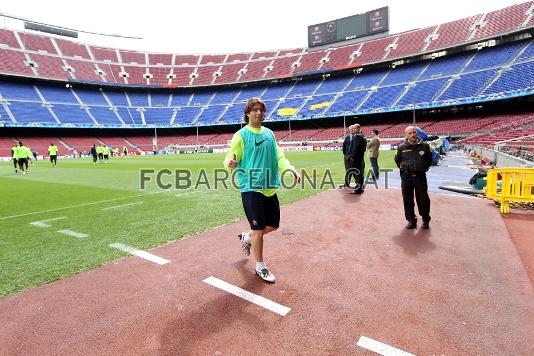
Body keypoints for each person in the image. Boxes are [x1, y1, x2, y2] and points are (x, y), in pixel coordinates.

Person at [224, 97, 300, 283]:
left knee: (273, 225)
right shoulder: (241, 135)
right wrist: (230, 163)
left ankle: (247, 237)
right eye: (254, 110)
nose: (258, 113)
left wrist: (289, 168)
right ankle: (260, 266)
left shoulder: (269, 134)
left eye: (261, 110)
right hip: (250, 186)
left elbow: (279, 156)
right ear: (248, 113)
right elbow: (230, 157)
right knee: (258, 228)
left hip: (269, 185)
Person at [394, 126, 433, 229]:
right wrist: (404, 169)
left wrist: (423, 168)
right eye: (410, 133)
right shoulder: (401, 147)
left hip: (420, 177)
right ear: (406, 135)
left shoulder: (424, 146)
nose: (412, 135)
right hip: (406, 177)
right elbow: (397, 160)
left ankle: (425, 219)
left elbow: (429, 160)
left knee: (423, 199)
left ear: (416, 133)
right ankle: (411, 220)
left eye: (414, 132)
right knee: (407, 200)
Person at [350, 124, 366, 194]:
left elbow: (355, 148)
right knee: (360, 173)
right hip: (360, 157)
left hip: (357, 158)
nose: (353, 130)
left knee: (357, 174)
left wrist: (352, 156)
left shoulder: (358, 136)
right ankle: (360, 187)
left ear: (358, 128)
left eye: (354, 128)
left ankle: (358, 189)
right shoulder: (362, 135)